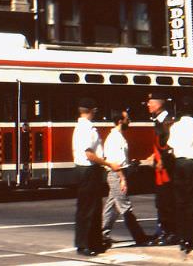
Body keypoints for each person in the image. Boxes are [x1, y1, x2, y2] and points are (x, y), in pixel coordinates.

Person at [72, 97, 119, 257]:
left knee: (88, 207)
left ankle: (90, 242)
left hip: (83, 170)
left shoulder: (79, 127)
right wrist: (108, 164)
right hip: (89, 170)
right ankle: (86, 244)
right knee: (89, 208)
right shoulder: (87, 128)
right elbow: (89, 154)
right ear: (92, 110)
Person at [102, 110, 150, 248]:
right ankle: (139, 237)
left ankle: (103, 234)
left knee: (112, 206)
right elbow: (115, 163)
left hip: (118, 174)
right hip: (117, 175)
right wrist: (123, 178)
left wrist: (131, 166)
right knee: (125, 206)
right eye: (127, 119)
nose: (129, 121)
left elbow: (122, 161)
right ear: (120, 121)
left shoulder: (118, 136)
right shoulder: (115, 138)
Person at [168, 97, 193, 253]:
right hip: (192, 164)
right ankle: (192, 238)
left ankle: (182, 237)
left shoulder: (175, 126)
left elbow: (170, 147)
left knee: (180, 201)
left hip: (178, 164)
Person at [146, 93, 177, 245]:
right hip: (160, 170)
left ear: (158, 104)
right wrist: (154, 156)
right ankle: (164, 231)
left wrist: (162, 161)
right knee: (161, 202)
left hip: (167, 170)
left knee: (167, 202)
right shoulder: (159, 121)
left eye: (150, 102)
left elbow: (170, 146)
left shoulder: (168, 121)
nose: (147, 104)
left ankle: (170, 233)